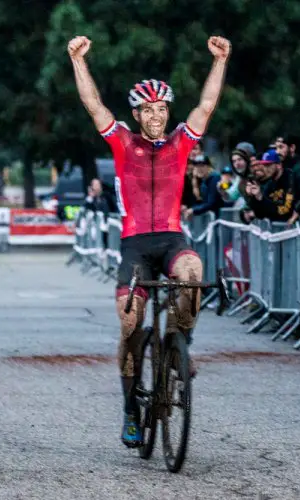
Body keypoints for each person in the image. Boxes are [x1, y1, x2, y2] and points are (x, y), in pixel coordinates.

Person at [68, 33, 230, 448]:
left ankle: (178, 342)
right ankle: (129, 410)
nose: (156, 115)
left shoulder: (181, 141)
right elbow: (93, 105)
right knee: (129, 322)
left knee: (193, 271)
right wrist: (78, 60)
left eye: (162, 108)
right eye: (148, 110)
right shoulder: (122, 141)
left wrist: (219, 61)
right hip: (136, 244)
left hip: (173, 238)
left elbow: (207, 105)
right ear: (137, 114)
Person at [246, 149, 298, 223]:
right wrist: (255, 197)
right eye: (264, 165)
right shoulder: (270, 184)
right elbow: (260, 215)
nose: (266, 169)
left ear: (279, 165)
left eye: (268, 165)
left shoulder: (290, 179)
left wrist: (263, 201)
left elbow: (286, 211)